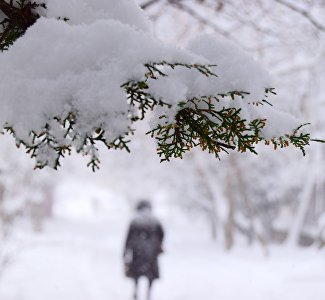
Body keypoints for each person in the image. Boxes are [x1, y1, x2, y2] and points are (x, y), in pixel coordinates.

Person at [123, 200, 164, 300]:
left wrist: (125, 252)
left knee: (136, 274)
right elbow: (162, 234)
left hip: (137, 252)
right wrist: (158, 246)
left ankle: (136, 291)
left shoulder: (135, 221)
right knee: (150, 275)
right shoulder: (155, 220)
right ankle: (149, 293)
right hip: (151, 252)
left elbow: (128, 238)